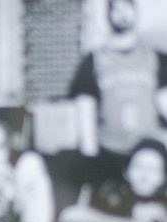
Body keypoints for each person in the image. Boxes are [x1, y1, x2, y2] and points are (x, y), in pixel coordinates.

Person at [69, 0, 167, 159]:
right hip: (110, 151)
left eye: (127, 8)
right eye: (116, 9)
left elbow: (164, 101)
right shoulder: (93, 61)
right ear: (108, 15)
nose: (122, 15)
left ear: (135, 11)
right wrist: (89, 154)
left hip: (147, 152)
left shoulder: (155, 59)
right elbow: (85, 109)